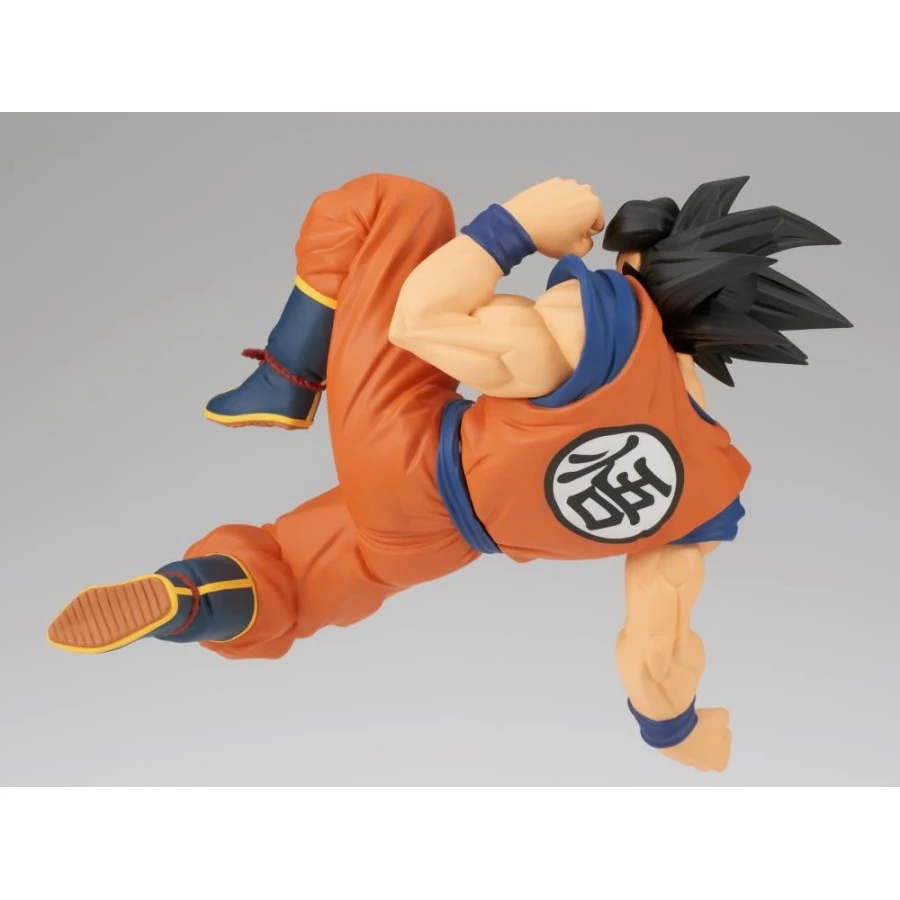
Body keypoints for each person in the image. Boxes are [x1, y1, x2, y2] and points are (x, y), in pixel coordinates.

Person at [47, 173, 850, 772]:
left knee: (395, 207)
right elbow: (653, 643)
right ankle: (191, 601)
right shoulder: (710, 487)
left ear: (652, 260)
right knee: (289, 576)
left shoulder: (593, 325)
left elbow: (421, 320)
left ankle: (283, 382)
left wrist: (514, 227)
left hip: (406, 442)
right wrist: (677, 733)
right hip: (438, 544)